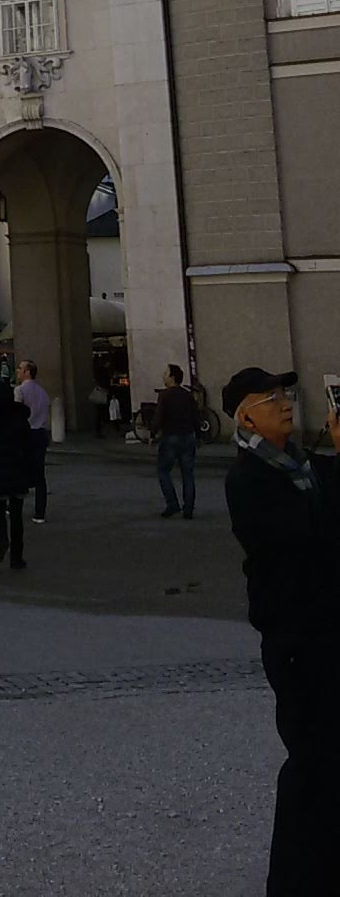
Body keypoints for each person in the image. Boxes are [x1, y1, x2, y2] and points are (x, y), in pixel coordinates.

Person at [223, 366, 340, 896]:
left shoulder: (302, 466)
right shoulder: (249, 479)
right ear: (246, 418)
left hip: (324, 629)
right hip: (295, 638)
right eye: (270, 399)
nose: (285, 404)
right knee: (310, 760)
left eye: (284, 394)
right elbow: (313, 535)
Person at [0, 380, 33, 570]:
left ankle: (1, 540)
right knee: (17, 515)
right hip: (17, 467)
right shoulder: (20, 419)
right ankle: (17, 557)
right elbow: (28, 445)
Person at [152, 363, 200, 519]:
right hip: (188, 436)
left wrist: (152, 433)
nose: (163, 376)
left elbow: (159, 416)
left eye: (165, 373)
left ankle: (172, 504)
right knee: (187, 473)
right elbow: (195, 416)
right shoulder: (187, 395)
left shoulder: (165, 395)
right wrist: (199, 435)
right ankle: (189, 507)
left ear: (172, 377)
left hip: (171, 436)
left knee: (163, 470)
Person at [15, 358, 51, 523]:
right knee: (39, 475)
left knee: (20, 471)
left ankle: (15, 507)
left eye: (20, 368)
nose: (17, 371)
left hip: (26, 434)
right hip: (41, 433)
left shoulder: (20, 390)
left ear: (27, 372)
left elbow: (17, 413)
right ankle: (40, 512)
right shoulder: (43, 392)